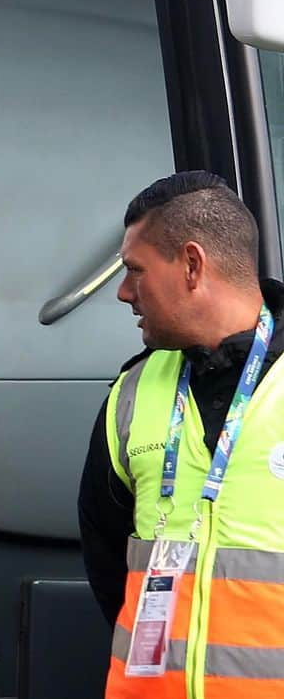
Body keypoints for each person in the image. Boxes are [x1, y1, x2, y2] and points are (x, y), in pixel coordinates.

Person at [78, 170, 284, 698]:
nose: (125, 293)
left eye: (135, 271)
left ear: (191, 265)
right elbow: (107, 563)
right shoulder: (133, 393)